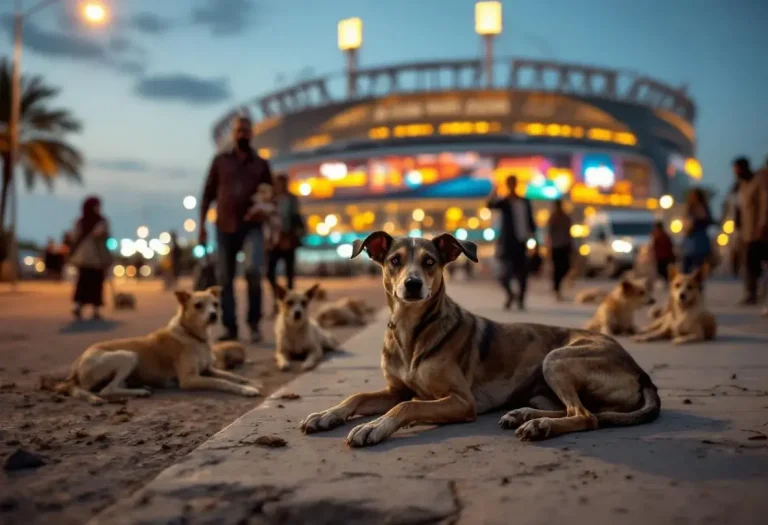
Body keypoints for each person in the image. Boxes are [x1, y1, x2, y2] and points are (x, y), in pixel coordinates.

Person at [199, 116, 273, 342]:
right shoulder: (220, 161)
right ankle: (230, 327)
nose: (242, 134)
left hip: (252, 226)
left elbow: (271, 195)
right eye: (239, 131)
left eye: (246, 131)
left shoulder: (261, 163)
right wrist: (201, 226)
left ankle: (254, 324)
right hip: (224, 226)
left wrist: (267, 213)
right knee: (225, 278)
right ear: (233, 133)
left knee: (252, 271)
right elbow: (207, 194)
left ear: (252, 133)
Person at [487, 175, 536, 310]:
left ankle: (521, 300)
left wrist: (534, 241)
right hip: (507, 243)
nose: (512, 185)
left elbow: (531, 222)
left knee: (522, 274)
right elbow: (490, 205)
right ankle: (510, 294)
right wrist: (495, 190)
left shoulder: (524, 201)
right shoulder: (504, 202)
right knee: (503, 274)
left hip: (522, 243)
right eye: (510, 183)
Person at [266, 173, 305, 316]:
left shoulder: (291, 199)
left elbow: (296, 218)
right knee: (269, 272)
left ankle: (290, 305)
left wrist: (292, 236)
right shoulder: (271, 199)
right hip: (273, 242)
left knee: (289, 275)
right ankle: (279, 298)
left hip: (289, 240)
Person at [68, 196, 111, 320]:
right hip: (91, 257)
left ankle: (91, 308)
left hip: (90, 257)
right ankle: (82, 307)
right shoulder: (97, 221)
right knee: (87, 282)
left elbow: (75, 236)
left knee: (92, 282)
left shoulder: (85, 221)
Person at [733, 157, 768, 305]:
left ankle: (760, 293)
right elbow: (740, 206)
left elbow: (765, 203)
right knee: (749, 263)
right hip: (746, 233)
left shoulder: (759, 181)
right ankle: (752, 294)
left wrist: (762, 225)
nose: (736, 173)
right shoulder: (742, 185)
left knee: (760, 262)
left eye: (737, 169)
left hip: (759, 231)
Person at [680, 188, 713, 275]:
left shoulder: (703, 207)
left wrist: (698, 221)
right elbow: (685, 221)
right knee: (687, 262)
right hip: (691, 238)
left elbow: (708, 220)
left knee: (699, 262)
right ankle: (686, 278)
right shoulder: (689, 207)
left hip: (700, 238)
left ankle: (697, 280)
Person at [546, 199, 572, 301]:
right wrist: (548, 247)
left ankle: (558, 286)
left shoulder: (566, 218)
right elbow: (549, 233)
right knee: (557, 268)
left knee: (565, 267)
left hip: (565, 245)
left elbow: (569, 232)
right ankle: (556, 289)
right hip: (555, 246)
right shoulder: (553, 218)